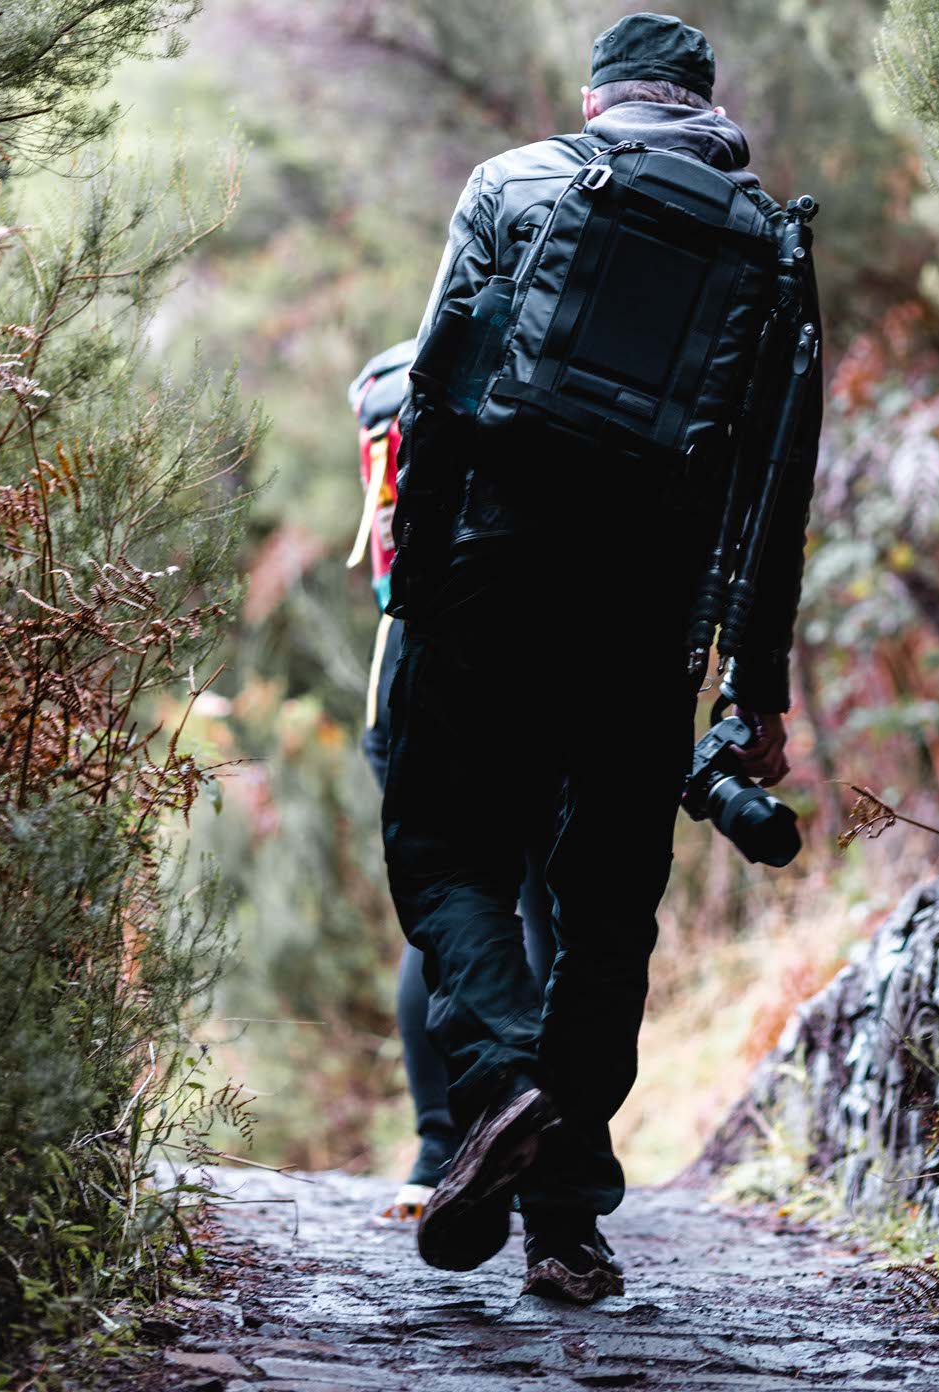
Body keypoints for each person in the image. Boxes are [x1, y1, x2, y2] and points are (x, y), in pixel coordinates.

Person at [381, 13, 821, 1304]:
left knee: (448, 846)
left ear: (593, 101)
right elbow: (772, 482)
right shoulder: (768, 245)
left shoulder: (512, 186)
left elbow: (434, 397)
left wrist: (411, 601)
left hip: (489, 582)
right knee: (606, 909)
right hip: (647, 621)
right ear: (704, 108)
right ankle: (566, 1224)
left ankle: (504, 1089)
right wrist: (752, 686)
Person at [348, 342, 554, 1221]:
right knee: (543, 900)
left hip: (414, 666)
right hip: (550, 653)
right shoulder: (543, 373)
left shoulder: (411, 378)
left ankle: (442, 1146)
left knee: (451, 899)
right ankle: (540, 1151)